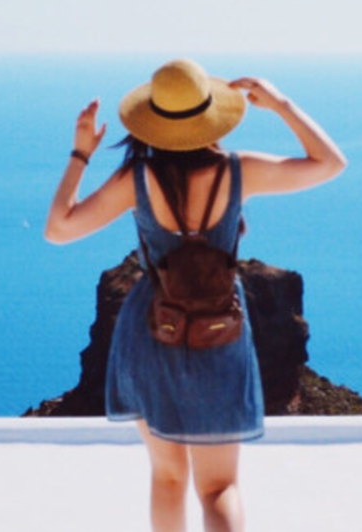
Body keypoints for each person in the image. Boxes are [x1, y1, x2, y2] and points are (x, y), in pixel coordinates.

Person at [44, 59, 346, 532]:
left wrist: (80, 154)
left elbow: (58, 229)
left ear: (153, 120)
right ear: (210, 115)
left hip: (151, 328)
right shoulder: (238, 171)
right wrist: (281, 105)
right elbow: (330, 163)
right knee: (219, 488)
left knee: (167, 478)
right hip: (220, 330)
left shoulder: (135, 179)